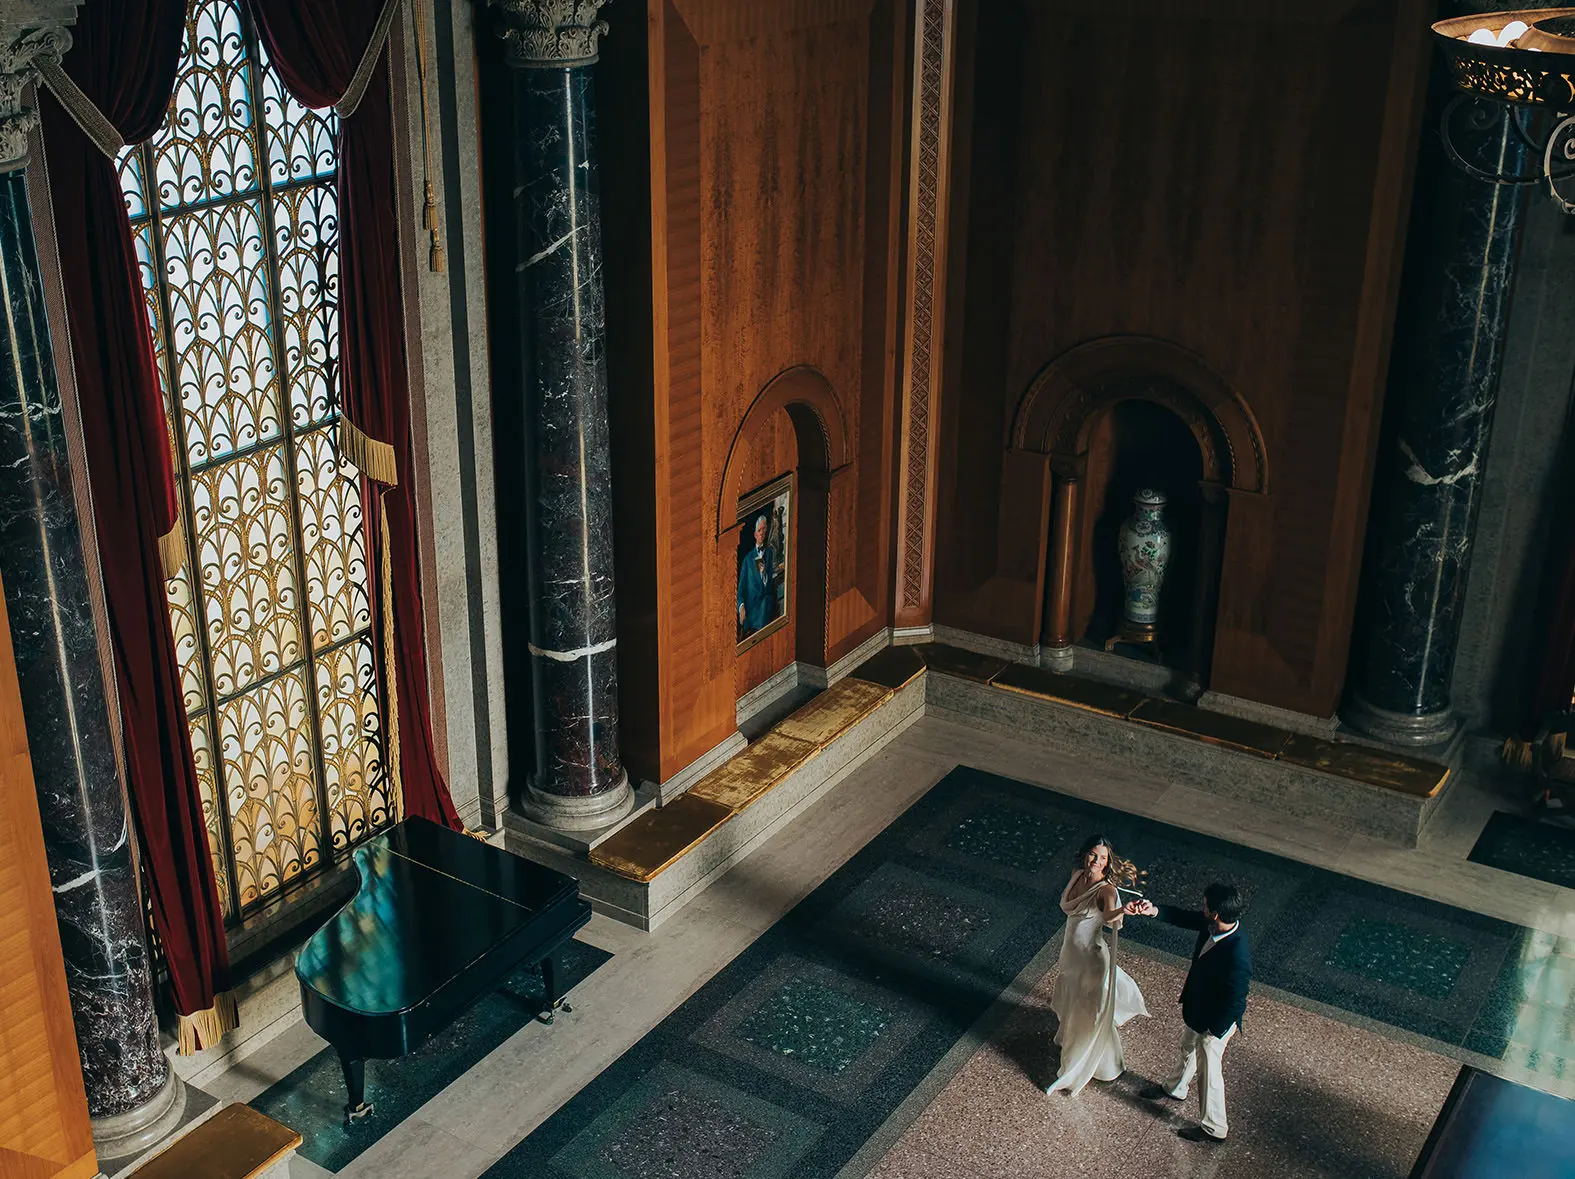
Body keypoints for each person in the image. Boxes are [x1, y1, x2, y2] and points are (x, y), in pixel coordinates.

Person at [1125, 882, 1251, 1143]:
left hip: (1216, 1022)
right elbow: (1184, 917)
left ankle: (1214, 1127)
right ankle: (1175, 1088)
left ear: (1215, 913)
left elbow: (1237, 1001)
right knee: (1187, 1047)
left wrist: (1213, 1033)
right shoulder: (1213, 925)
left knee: (1209, 1072)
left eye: (1205, 905)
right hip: (1200, 1009)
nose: (1201, 908)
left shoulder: (1237, 953)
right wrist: (1154, 911)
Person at [1045, 836, 1149, 1097]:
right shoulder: (1077, 874)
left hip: (1092, 958)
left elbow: (1110, 917)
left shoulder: (1106, 890)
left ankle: (1097, 1063)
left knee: (1088, 1009)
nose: (1096, 861)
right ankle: (1070, 1036)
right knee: (1072, 997)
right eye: (1093, 854)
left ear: (1108, 862)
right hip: (1071, 953)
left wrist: (1124, 909)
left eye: (1102, 858)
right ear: (1085, 854)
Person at [737, 512, 778, 637]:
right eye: (759, 530)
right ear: (755, 534)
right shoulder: (748, 559)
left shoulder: (769, 553)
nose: (762, 533)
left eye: (764, 529)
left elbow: (769, 580)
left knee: (767, 602)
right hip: (753, 608)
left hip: (767, 603)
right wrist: (741, 607)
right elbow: (741, 591)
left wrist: (765, 573)